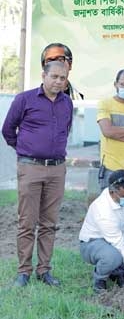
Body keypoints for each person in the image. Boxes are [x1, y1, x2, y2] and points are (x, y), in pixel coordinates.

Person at [2, 60, 73, 287]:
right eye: (54, 77)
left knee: (49, 223)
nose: (58, 82)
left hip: (57, 169)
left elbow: (66, 129)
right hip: (30, 167)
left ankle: (44, 271)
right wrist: (25, 150)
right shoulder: (25, 99)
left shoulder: (67, 103)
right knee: (27, 222)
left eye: (63, 78)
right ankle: (24, 272)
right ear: (44, 75)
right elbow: (7, 129)